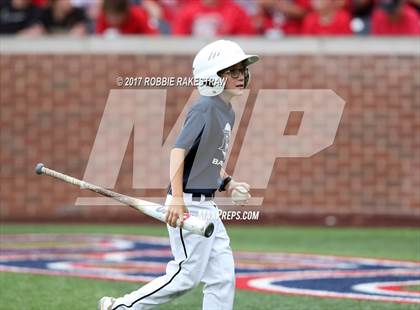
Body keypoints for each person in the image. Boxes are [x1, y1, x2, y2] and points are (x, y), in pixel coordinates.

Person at [98, 39, 259, 310]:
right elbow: (177, 152)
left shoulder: (227, 111)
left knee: (221, 275)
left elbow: (209, 159)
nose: (240, 76)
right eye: (232, 70)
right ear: (213, 77)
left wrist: (228, 182)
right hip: (189, 202)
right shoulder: (204, 108)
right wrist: (176, 198)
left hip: (207, 204)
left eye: (242, 69)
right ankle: (121, 307)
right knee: (186, 275)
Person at [172, 0, 254, 36]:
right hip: (194, 58)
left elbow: (246, 39)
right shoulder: (188, 10)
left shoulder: (235, 10)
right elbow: (179, 39)